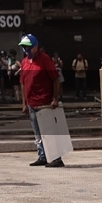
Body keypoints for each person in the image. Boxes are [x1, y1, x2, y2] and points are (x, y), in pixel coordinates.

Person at [18, 34, 62, 168]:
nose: (26, 50)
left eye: (29, 48)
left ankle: (56, 158)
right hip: (31, 103)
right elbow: (23, 83)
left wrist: (55, 98)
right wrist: (24, 103)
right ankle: (42, 156)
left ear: (36, 47)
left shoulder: (45, 59)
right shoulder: (25, 61)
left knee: (48, 131)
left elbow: (55, 79)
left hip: (44, 102)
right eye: (24, 48)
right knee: (37, 133)